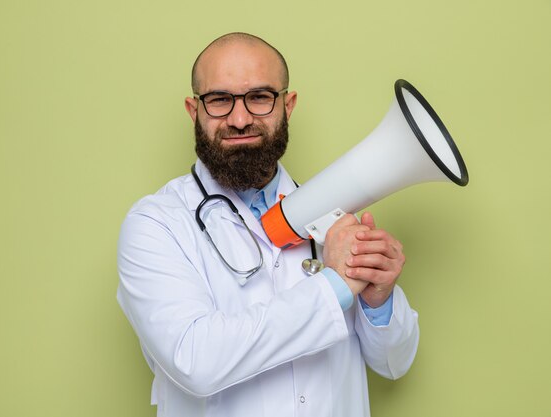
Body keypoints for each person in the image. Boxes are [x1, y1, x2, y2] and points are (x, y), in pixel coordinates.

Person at [117, 32, 419, 417]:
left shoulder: (335, 218)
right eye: (220, 100)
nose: (240, 119)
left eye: (259, 97)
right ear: (195, 111)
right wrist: (338, 284)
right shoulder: (155, 224)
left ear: (287, 106)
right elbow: (194, 360)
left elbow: (394, 363)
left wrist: (380, 300)